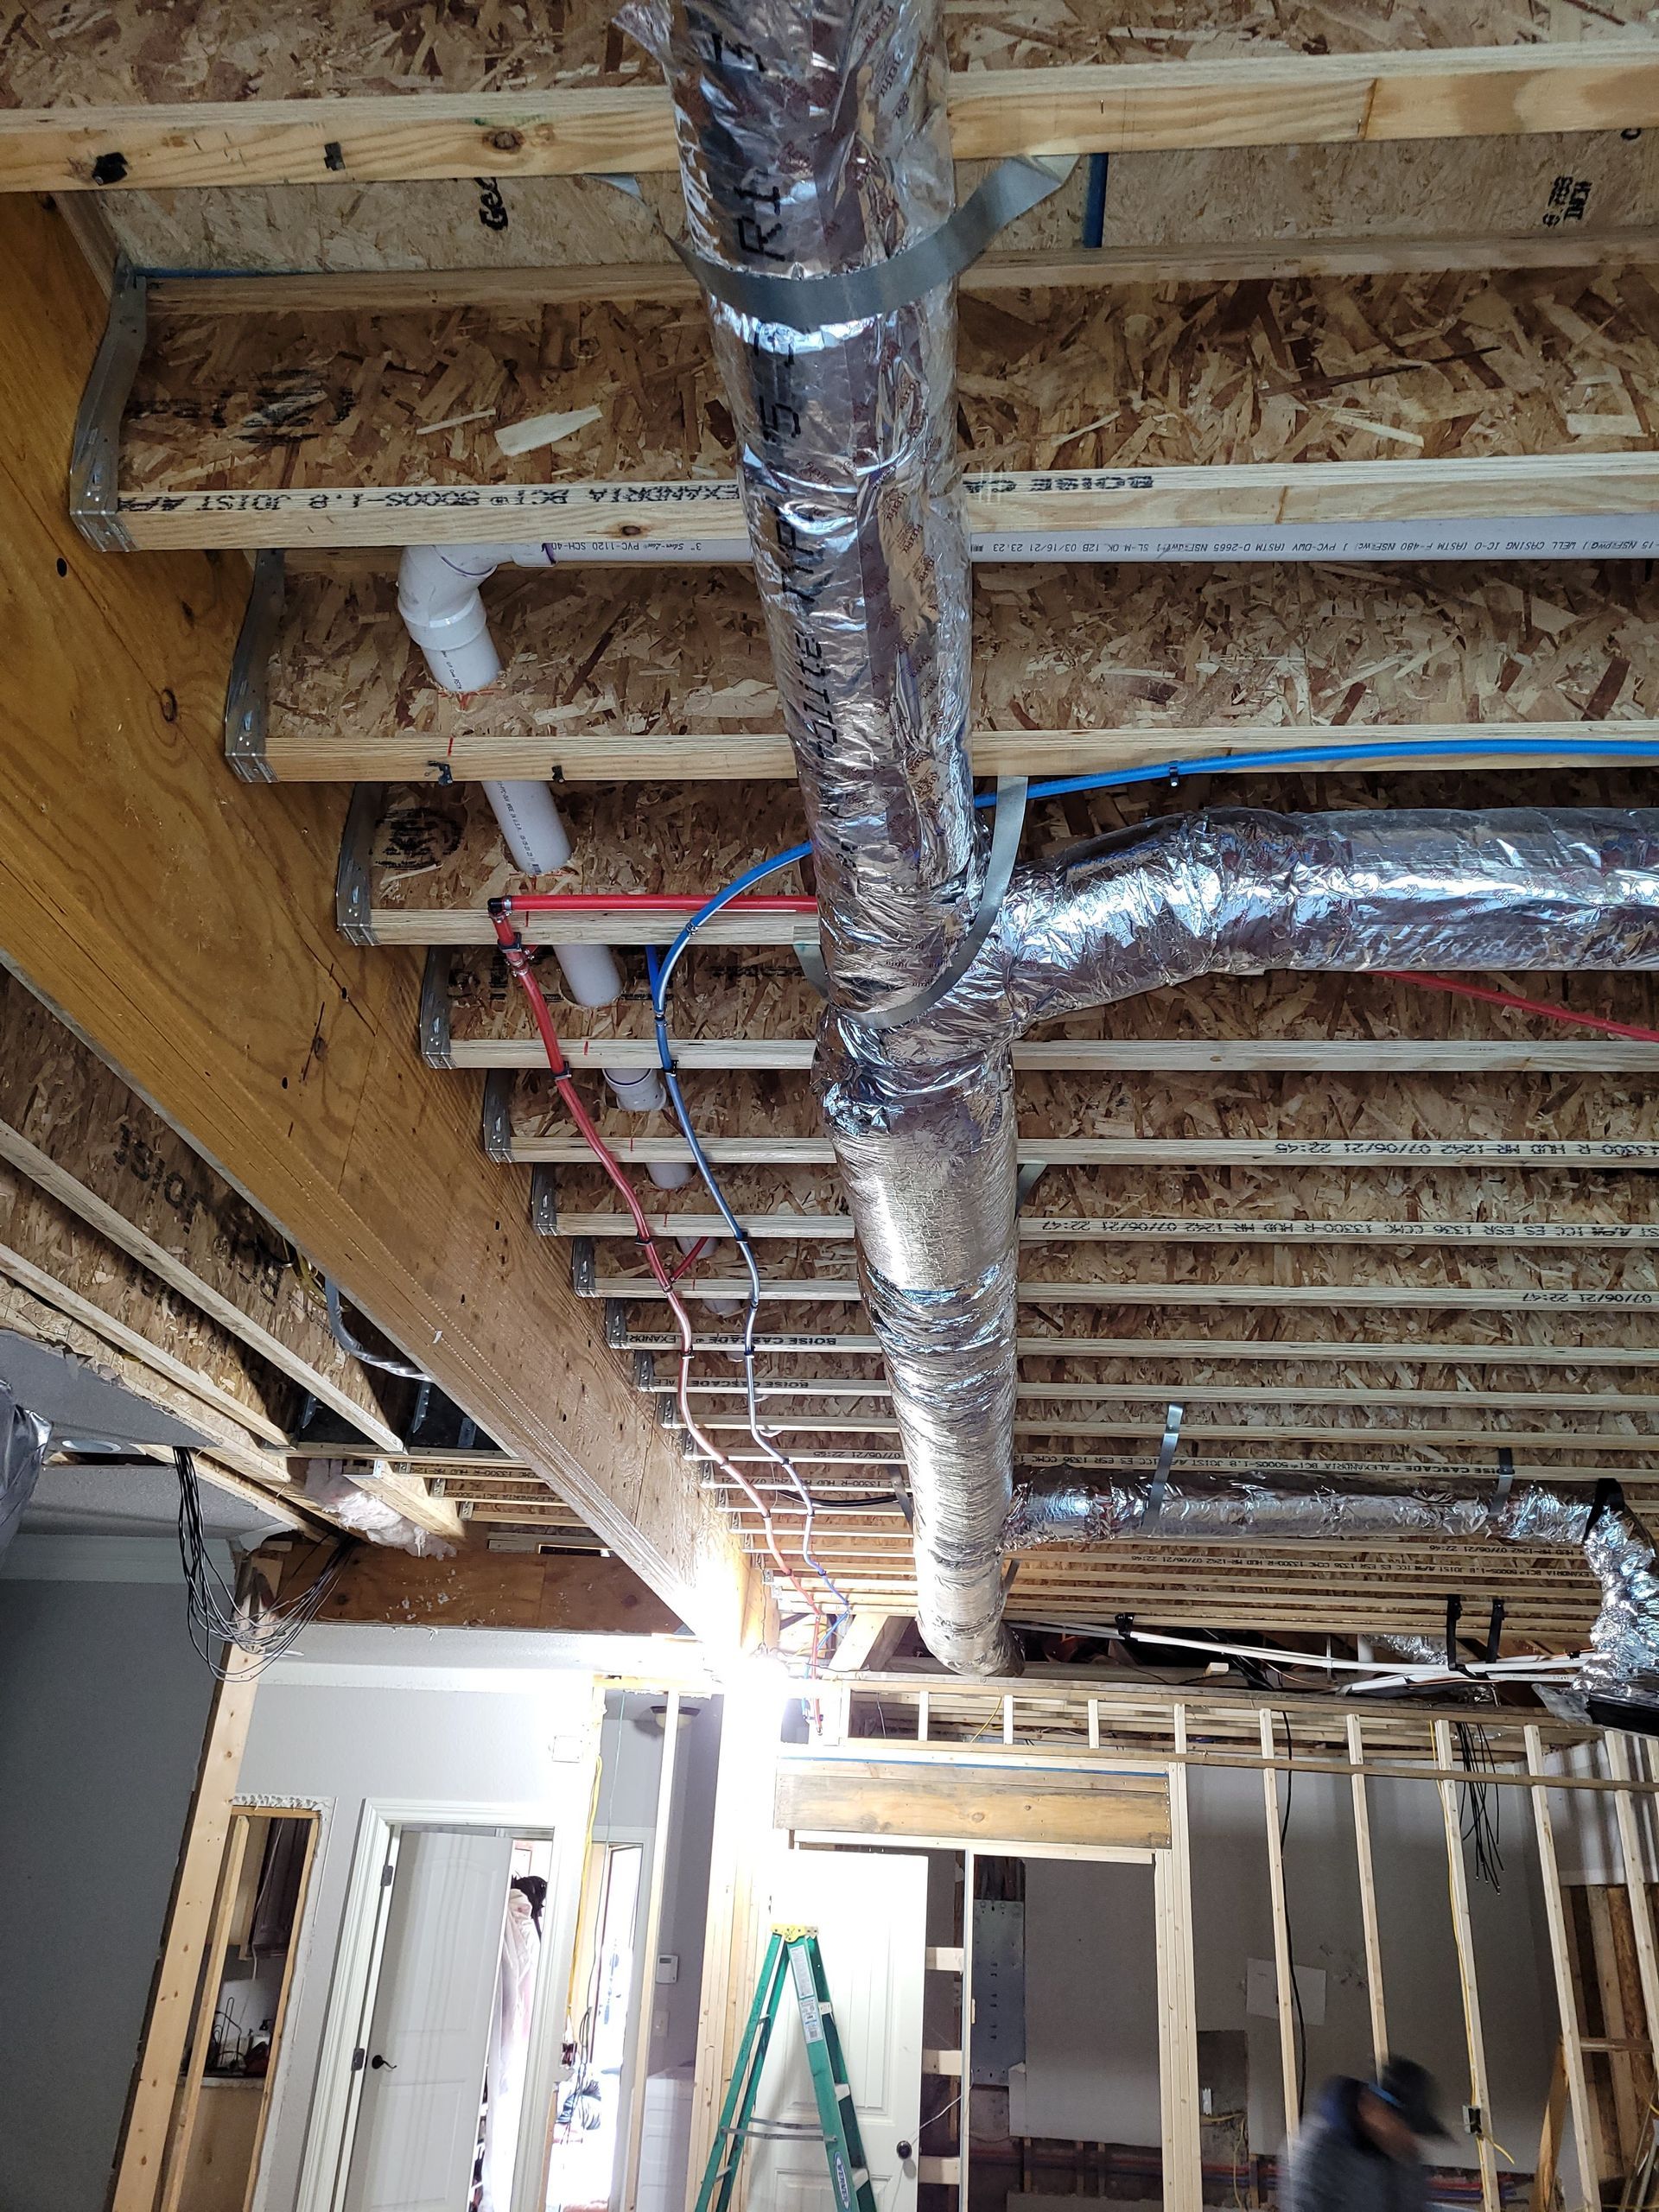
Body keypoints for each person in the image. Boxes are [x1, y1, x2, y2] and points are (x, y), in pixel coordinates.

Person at [1290, 2056, 1452, 2212]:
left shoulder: (1405, 2156)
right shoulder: (1317, 2152)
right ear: (1373, 2107)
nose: (1411, 2139)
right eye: (1403, 2126)